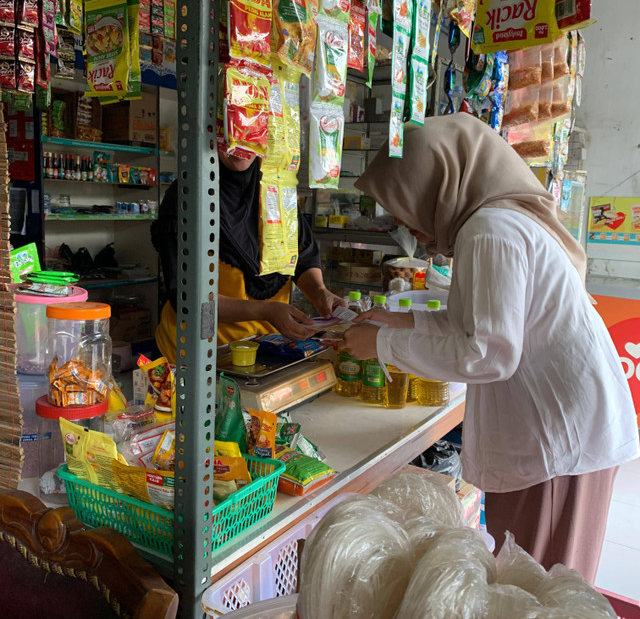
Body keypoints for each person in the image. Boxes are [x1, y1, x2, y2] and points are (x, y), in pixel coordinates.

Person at [343, 114, 638, 583]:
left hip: (559, 442)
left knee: (537, 592)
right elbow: (477, 321)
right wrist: (399, 319)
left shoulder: (489, 231)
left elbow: (489, 353)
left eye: (403, 203)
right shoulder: (490, 225)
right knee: (535, 585)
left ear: (436, 186)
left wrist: (383, 343)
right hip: (561, 431)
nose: (402, 222)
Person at [152, 151, 343, 362]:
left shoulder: (275, 187)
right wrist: (265, 311)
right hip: (198, 355)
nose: (240, 145)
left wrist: (319, 293)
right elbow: (187, 298)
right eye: (230, 134)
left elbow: (303, 255)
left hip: (264, 349)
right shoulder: (188, 196)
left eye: (249, 134)